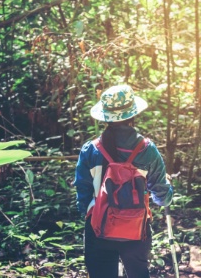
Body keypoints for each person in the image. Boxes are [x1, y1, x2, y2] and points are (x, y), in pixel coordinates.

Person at [74, 84, 174, 278]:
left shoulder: (91, 150)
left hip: (98, 227)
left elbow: (82, 194)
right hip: (136, 230)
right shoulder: (147, 150)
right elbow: (162, 198)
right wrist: (168, 191)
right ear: (133, 114)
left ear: (105, 117)